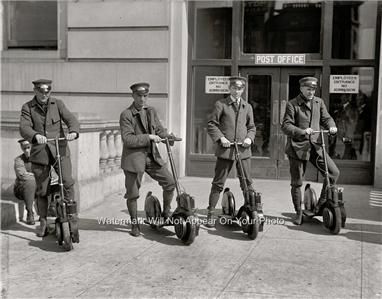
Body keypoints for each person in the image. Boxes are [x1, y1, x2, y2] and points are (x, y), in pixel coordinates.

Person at [19, 79, 79, 237]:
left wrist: (73, 131)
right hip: (40, 153)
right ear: (35, 91)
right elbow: (24, 127)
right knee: (42, 190)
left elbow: (71, 119)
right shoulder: (28, 107)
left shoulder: (58, 104)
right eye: (41, 91)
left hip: (60, 149)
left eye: (47, 91)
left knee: (67, 182)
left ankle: (72, 218)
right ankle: (43, 221)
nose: (44, 94)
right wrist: (35, 135)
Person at [119, 82, 176, 237]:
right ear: (133, 96)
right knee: (133, 194)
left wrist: (167, 137)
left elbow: (159, 129)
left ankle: (166, 212)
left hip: (152, 157)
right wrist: (149, 137)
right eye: (139, 96)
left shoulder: (151, 111)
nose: (142, 99)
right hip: (134, 159)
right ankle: (134, 224)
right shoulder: (126, 115)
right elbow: (128, 139)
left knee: (170, 182)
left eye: (145, 96)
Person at [281, 77, 340, 225]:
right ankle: (299, 213)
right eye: (308, 89)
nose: (311, 92)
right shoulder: (292, 104)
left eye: (313, 89)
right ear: (301, 88)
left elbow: (326, 118)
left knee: (333, 173)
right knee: (297, 182)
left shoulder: (318, 102)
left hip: (316, 146)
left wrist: (331, 126)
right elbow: (286, 126)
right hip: (297, 148)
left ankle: (320, 205)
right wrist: (301, 131)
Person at [205, 76, 257, 228]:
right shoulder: (221, 104)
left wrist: (249, 138)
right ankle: (211, 213)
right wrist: (221, 138)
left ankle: (251, 211)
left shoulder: (247, 107)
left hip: (243, 150)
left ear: (243, 89)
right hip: (226, 150)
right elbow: (212, 125)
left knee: (247, 183)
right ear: (230, 89)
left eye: (240, 88)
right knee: (218, 183)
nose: (237, 91)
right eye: (234, 88)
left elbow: (252, 127)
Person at [13, 139, 36, 225]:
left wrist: (31, 174)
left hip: (37, 187)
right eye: (24, 148)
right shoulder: (19, 160)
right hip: (21, 189)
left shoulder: (40, 158)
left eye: (28, 147)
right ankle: (30, 213)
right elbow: (22, 175)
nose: (26, 150)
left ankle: (47, 211)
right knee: (30, 182)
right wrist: (36, 176)